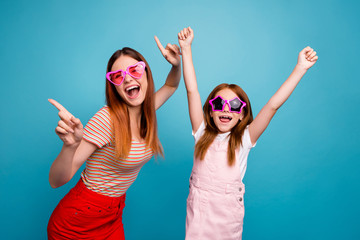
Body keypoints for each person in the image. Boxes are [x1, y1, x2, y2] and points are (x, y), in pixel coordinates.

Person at [178, 27, 318, 240]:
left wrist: (300, 68)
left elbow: (272, 105)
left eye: (234, 105)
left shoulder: (244, 139)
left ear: (243, 114)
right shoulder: (201, 131)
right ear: (210, 110)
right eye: (219, 104)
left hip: (227, 214)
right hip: (199, 210)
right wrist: (186, 49)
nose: (226, 110)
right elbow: (192, 90)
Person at [47, 36, 181, 239]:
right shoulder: (107, 120)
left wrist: (176, 65)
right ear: (114, 87)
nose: (127, 78)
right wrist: (70, 146)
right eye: (118, 76)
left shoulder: (147, 111)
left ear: (146, 74)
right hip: (77, 221)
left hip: (113, 215)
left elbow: (171, 85)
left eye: (135, 70)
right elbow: (56, 181)